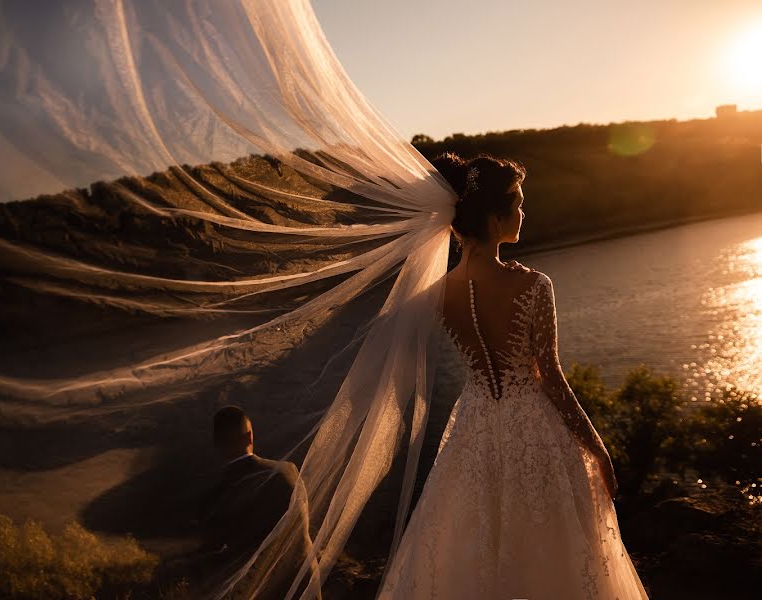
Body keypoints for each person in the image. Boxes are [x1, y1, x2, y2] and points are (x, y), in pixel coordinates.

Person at [376, 153, 649, 599]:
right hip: (534, 428)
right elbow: (552, 378)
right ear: (494, 216)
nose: (524, 212)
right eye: (518, 203)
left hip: (474, 426)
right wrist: (598, 449)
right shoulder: (533, 285)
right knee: (555, 552)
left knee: (475, 544)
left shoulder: (437, 295)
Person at [199, 405, 319, 600]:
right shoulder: (288, 470)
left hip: (260, 591)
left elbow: (215, 552)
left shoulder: (217, 492)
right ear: (250, 436)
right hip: (303, 583)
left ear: (216, 444)